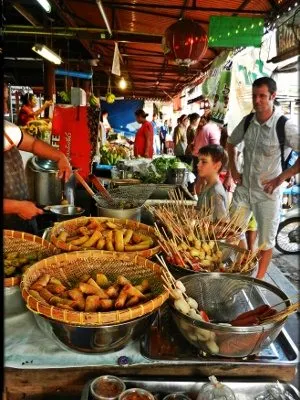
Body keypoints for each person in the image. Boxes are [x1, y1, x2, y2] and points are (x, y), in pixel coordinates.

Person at [227, 77, 300, 280]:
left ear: (273, 96)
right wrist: (233, 169)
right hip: (244, 189)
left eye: (262, 96)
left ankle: (257, 281)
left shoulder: (285, 126)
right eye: (254, 96)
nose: (257, 101)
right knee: (231, 232)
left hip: (268, 194)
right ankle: (240, 269)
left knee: (266, 242)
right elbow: (231, 143)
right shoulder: (248, 121)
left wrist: (281, 178)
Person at [4, 120, 72, 234]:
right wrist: (17, 207)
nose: (5, 109)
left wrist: (60, 157)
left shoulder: (7, 130)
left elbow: (33, 144)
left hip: (24, 216)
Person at [196, 144, 229, 221]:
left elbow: (222, 224)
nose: (198, 165)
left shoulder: (215, 192)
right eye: (199, 161)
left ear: (217, 166)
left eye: (204, 162)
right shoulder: (208, 186)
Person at [192, 112, 221, 194]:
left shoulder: (203, 128)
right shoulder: (212, 128)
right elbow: (216, 146)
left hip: (197, 155)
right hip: (206, 157)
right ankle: (203, 200)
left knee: (200, 178)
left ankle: (199, 199)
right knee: (205, 179)